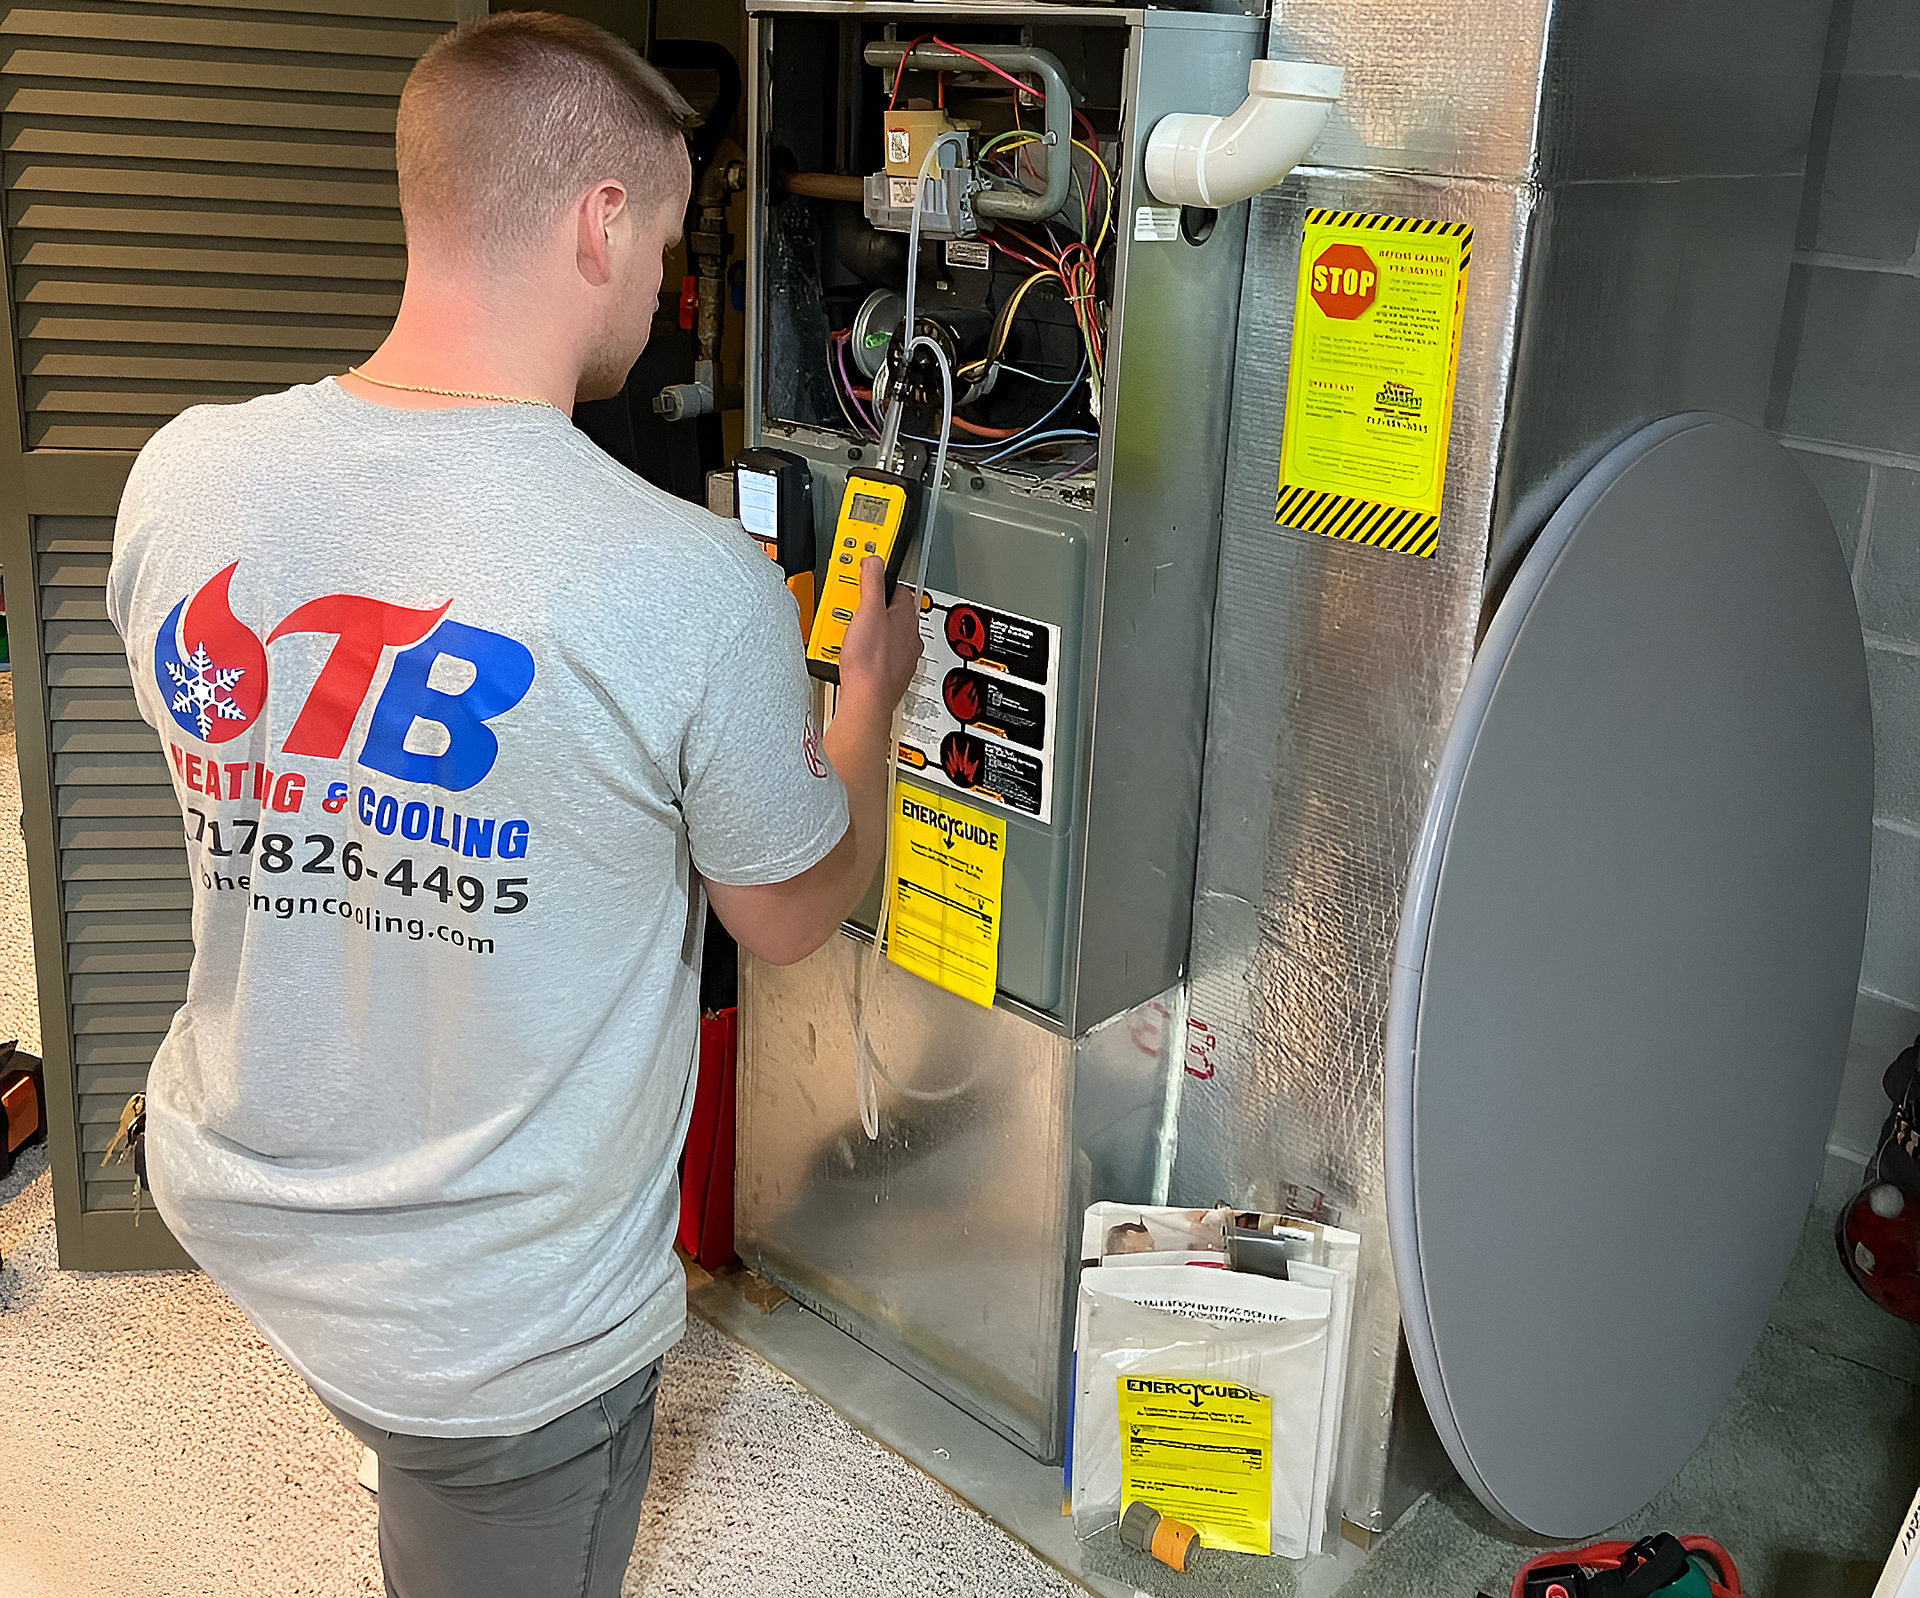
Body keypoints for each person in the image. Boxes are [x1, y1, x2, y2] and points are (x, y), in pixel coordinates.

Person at [104, 13, 922, 1596]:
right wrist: (866, 709)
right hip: (494, 1328)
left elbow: (291, 806)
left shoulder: (183, 474)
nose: (664, 286)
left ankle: (394, 1435)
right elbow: (788, 913)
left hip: (234, 1189)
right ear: (599, 221)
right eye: (666, 243)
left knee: (402, 1433)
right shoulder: (685, 583)